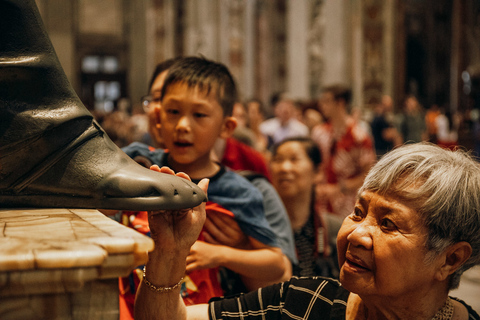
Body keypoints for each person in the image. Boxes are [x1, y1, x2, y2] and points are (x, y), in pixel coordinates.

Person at [135, 142, 480, 320]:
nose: (357, 234)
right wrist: (170, 249)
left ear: (450, 259)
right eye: (358, 212)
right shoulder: (301, 303)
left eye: (388, 224)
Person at [123, 56, 290, 307]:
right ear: (158, 117)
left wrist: (220, 254)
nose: (182, 125)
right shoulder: (139, 161)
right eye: (173, 112)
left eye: (199, 115)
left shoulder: (240, 192)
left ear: (226, 127)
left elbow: (276, 265)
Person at [270, 137, 343, 278]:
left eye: (294, 159)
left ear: (317, 172)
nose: (284, 168)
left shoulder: (335, 230)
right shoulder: (260, 229)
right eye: (278, 160)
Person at [311, 84, 376, 218]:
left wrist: (339, 188)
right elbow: (315, 165)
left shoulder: (359, 136)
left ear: (340, 103)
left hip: (347, 203)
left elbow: (368, 174)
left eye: (327, 101)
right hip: (321, 199)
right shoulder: (319, 133)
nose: (322, 105)